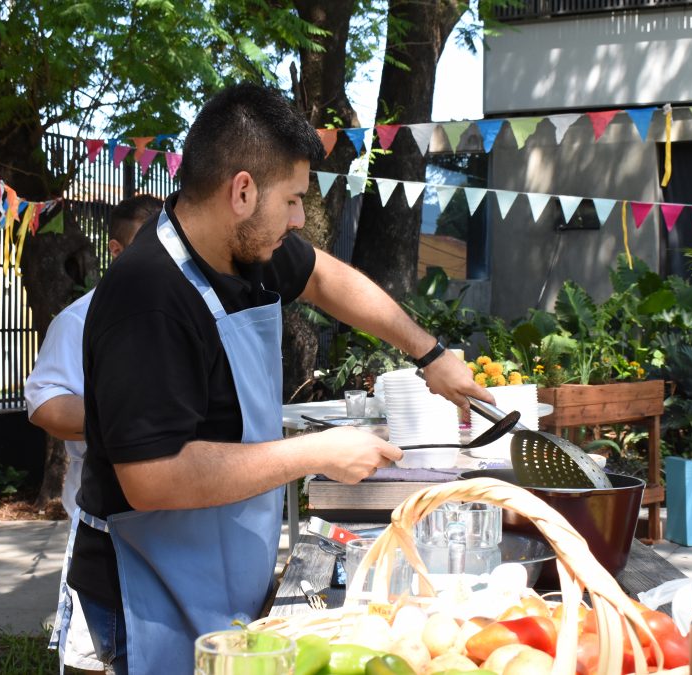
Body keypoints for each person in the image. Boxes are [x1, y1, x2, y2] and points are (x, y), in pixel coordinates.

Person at [52, 82, 491, 674]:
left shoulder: (247, 248)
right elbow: (152, 478)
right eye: (292, 200)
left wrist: (429, 353)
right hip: (147, 582)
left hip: (221, 559)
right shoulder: (148, 298)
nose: (297, 219)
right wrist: (316, 451)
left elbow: (327, 280)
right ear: (241, 190)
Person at [28, 194, 163, 673]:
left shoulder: (188, 312)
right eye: (146, 245)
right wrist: (125, 419)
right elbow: (45, 406)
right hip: (100, 518)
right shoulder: (80, 319)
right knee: (91, 655)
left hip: (174, 516)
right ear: (115, 250)